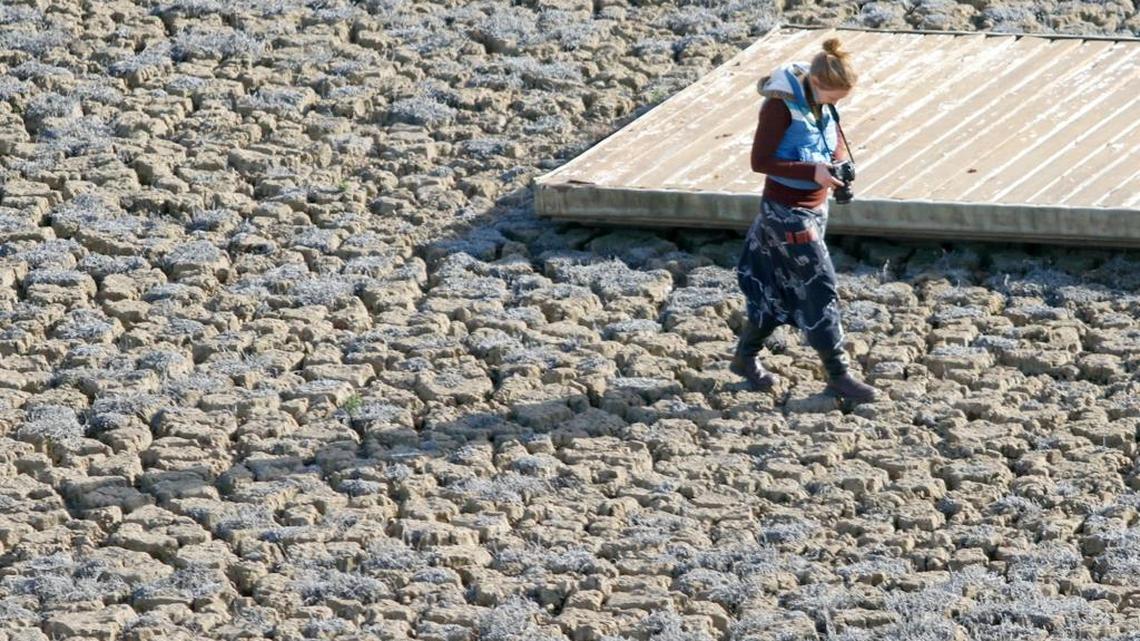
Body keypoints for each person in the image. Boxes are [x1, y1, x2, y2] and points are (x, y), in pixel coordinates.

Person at [731, 37, 878, 403]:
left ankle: (745, 358)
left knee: (775, 285)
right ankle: (838, 374)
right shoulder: (779, 108)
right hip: (785, 213)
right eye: (834, 97)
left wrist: (836, 167)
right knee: (819, 286)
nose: (836, 104)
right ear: (815, 82)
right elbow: (760, 162)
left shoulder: (822, 104)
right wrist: (814, 170)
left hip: (814, 208)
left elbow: (833, 144)